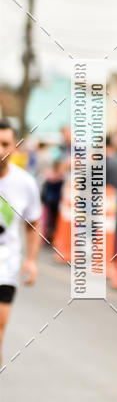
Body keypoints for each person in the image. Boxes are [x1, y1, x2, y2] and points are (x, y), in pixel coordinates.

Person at [0, 120, 42, 367]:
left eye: (5, 143)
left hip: (5, 265)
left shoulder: (25, 183)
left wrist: (31, 260)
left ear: (15, 147)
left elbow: (33, 223)